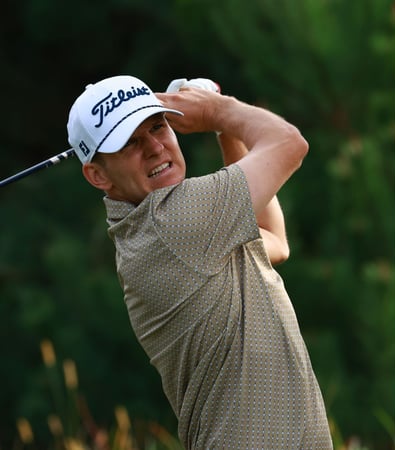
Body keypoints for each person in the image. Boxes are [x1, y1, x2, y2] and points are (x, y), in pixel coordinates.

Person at [67, 75, 333, 449]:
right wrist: (216, 110)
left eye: (158, 126)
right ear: (97, 175)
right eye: (130, 143)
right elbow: (289, 143)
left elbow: (272, 239)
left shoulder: (173, 232)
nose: (155, 147)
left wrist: (226, 133)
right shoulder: (171, 222)